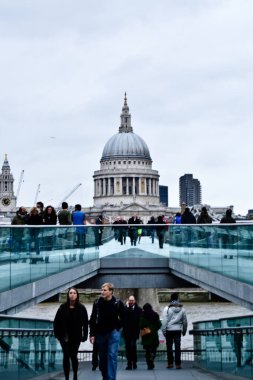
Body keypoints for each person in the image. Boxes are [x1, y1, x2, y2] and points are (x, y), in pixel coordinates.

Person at [89, 282, 125, 380]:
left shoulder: (117, 303)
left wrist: (118, 328)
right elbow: (92, 319)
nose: (102, 292)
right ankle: (105, 376)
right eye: (102, 290)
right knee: (103, 358)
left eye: (105, 290)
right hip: (100, 333)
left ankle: (111, 378)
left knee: (112, 355)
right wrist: (92, 334)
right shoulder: (97, 303)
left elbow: (124, 317)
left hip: (113, 333)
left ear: (111, 291)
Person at [54, 287, 88, 380]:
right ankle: (67, 377)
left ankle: (75, 375)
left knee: (73, 356)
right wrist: (57, 334)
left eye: (74, 293)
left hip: (76, 337)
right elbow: (56, 322)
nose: (72, 294)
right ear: (68, 295)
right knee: (66, 356)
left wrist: (85, 335)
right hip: (64, 336)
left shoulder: (82, 308)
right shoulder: (62, 307)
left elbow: (85, 323)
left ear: (77, 295)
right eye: (70, 293)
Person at [162, 292, 187, 370]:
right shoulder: (182, 309)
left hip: (169, 330)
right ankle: (178, 364)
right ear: (177, 299)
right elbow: (185, 321)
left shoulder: (167, 309)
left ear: (171, 299)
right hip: (178, 330)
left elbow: (164, 321)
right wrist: (184, 331)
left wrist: (164, 331)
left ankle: (170, 363)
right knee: (177, 347)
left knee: (169, 347)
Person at [122, 295, 142, 370]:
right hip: (127, 332)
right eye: (130, 300)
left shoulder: (139, 309)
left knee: (133, 346)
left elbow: (140, 321)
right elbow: (123, 318)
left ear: (135, 301)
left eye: (132, 300)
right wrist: (127, 308)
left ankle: (134, 362)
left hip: (134, 332)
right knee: (128, 348)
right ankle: (129, 363)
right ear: (128, 301)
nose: (131, 302)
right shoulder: (125, 309)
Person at [140, 303, 161, 370]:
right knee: (154, 349)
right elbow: (159, 324)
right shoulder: (155, 315)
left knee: (147, 350)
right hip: (154, 335)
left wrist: (145, 328)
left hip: (146, 335)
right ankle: (152, 357)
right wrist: (154, 329)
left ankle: (149, 364)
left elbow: (140, 325)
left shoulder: (142, 315)